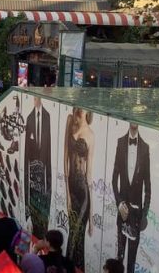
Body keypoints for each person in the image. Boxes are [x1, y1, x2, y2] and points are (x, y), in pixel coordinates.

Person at [111, 123, 150, 273]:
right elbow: (114, 180)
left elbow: (148, 187)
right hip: (122, 214)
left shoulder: (145, 148)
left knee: (131, 263)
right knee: (119, 257)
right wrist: (119, 204)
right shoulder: (120, 143)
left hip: (136, 218)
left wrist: (144, 215)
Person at [63, 108, 94, 270]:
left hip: (84, 194)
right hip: (72, 190)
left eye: (84, 108)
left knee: (76, 235)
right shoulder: (70, 122)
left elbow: (89, 174)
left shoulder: (91, 135)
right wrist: (67, 195)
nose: (81, 110)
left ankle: (69, 268)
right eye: (79, 107)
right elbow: (65, 160)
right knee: (72, 233)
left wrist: (92, 213)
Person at [25, 97, 52, 240]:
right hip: (33, 173)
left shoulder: (48, 116)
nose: (35, 100)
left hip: (46, 173)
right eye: (34, 97)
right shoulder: (29, 117)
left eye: (37, 97)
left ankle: (42, 233)